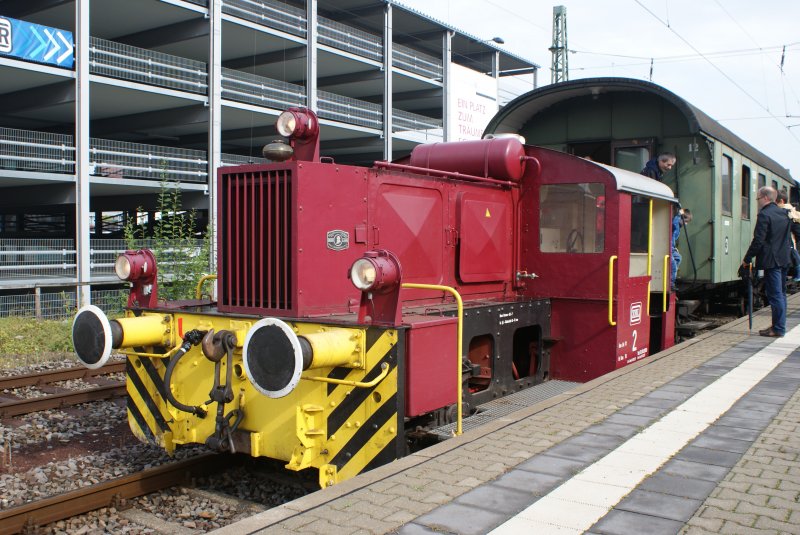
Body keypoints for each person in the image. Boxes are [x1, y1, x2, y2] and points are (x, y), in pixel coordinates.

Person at [742, 186, 792, 337]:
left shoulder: (764, 215)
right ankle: (778, 325)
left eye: (758, 198)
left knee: (775, 295)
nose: (757, 201)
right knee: (781, 294)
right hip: (784, 259)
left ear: (765, 198)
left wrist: (747, 259)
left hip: (772, 261)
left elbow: (758, 240)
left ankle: (778, 328)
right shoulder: (784, 213)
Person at [775, 190, 800, 282]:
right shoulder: (789, 210)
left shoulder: (786, 211)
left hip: (787, 242)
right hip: (788, 242)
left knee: (793, 253)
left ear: (781, 201)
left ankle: (798, 273)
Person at [671, 208, 692, 291]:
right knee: (673, 266)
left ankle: (671, 275)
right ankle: (671, 283)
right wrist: (679, 214)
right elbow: (674, 223)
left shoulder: (679, 227)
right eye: (685, 221)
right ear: (681, 218)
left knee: (678, 257)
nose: (686, 224)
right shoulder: (675, 223)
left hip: (672, 248)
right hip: (668, 248)